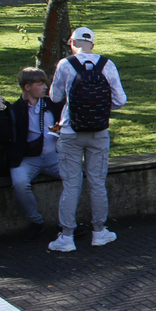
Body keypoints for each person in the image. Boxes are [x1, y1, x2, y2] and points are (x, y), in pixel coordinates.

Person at [47, 27, 128, 252]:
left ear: (72, 42)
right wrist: (101, 107)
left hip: (70, 132)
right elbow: (120, 100)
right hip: (98, 132)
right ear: (92, 43)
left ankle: (66, 236)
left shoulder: (65, 64)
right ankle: (100, 231)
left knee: (71, 184)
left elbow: (55, 97)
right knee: (97, 182)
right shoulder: (107, 65)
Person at [0, 68, 64, 240]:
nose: (45, 87)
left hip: (53, 156)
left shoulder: (52, 104)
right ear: (27, 87)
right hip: (27, 159)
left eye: (44, 83)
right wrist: (1, 111)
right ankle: (36, 222)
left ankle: (67, 222)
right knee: (20, 183)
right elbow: (1, 137)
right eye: (40, 84)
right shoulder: (15, 109)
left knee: (73, 176)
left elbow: (64, 123)